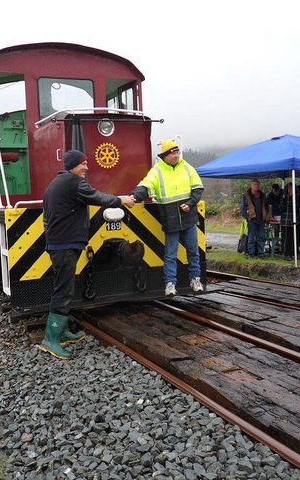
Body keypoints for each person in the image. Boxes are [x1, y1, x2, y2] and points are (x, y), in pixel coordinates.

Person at [41, 149, 135, 359]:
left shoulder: (54, 184)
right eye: (82, 164)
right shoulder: (74, 183)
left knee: (65, 287)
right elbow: (97, 197)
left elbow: (47, 218)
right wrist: (122, 200)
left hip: (59, 243)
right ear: (73, 165)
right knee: (63, 290)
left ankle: (62, 331)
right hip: (64, 245)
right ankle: (51, 339)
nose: (86, 167)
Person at [131, 139, 204, 296]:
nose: (176, 155)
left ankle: (195, 280)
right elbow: (146, 184)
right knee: (170, 254)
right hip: (170, 219)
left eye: (177, 152)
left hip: (188, 218)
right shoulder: (157, 171)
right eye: (172, 153)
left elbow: (198, 188)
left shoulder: (187, 167)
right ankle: (170, 284)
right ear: (164, 155)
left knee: (193, 251)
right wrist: (134, 196)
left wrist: (190, 203)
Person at [241, 179, 271, 257]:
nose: (256, 186)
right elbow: (243, 207)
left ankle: (260, 253)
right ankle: (251, 253)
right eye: (254, 184)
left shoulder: (262, 195)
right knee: (251, 237)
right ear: (251, 186)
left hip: (261, 219)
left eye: (257, 185)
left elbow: (266, 206)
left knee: (261, 237)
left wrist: (266, 214)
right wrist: (247, 217)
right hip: (252, 219)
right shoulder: (246, 195)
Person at [280, 182, 300, 260]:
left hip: (295, 219)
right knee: (286, 237)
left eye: (292, 188)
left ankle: (293, 253)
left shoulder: (297, 197)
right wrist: (285, 199)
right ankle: (286, 253)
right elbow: (281, 208)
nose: (290, 190)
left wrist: (292, 197)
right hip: (286, 219)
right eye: (289, 188)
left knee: (294, 237)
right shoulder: (284, 196)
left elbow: (297, 207)